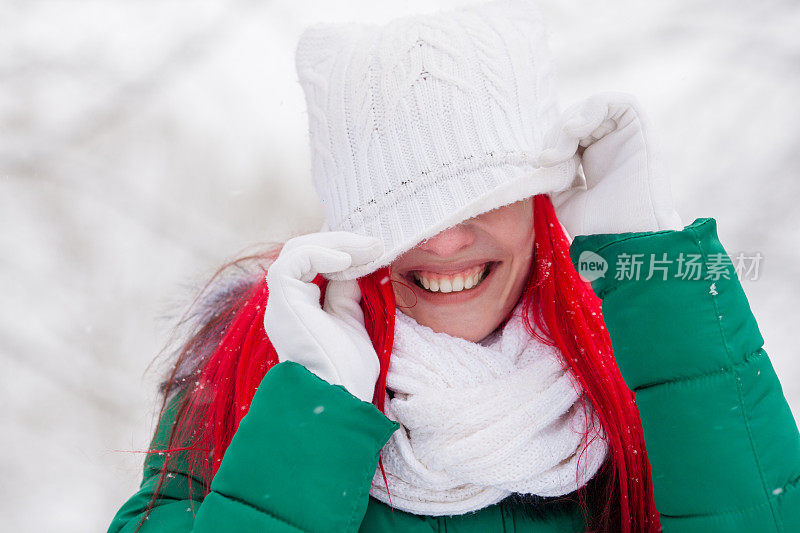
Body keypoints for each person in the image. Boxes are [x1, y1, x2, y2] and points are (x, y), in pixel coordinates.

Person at [107, 1, 800, 531]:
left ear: (541, 198)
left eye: (482, 196)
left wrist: (652, 270)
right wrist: (312, 418)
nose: (443, 242)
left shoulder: (640, 366)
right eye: (401, 211)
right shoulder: (249, 380)